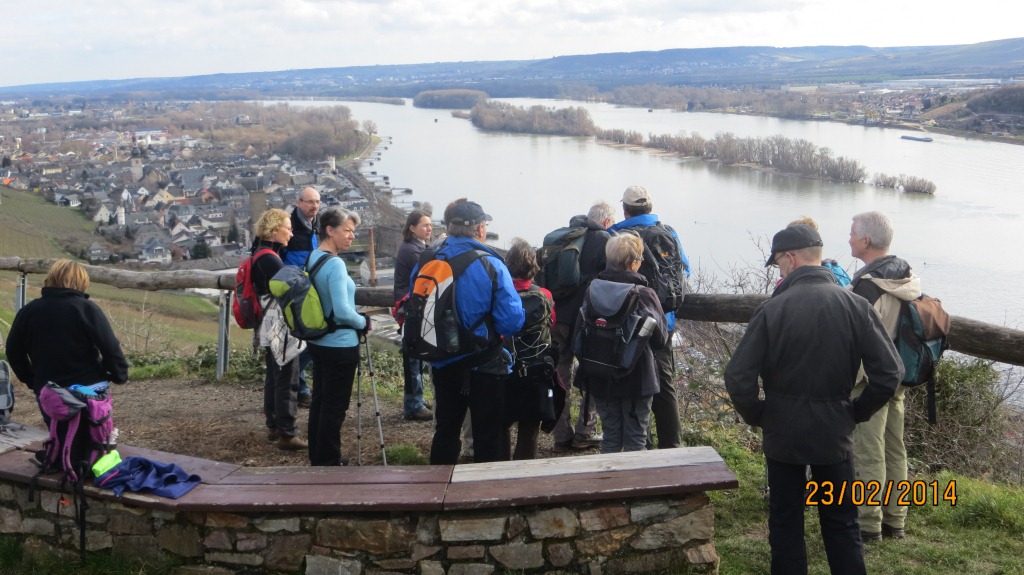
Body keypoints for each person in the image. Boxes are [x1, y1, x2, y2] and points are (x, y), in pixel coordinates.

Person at [725, 224, 903, 575]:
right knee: (842, 523)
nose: (779, 270)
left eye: (777, 263)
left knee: (786, 522)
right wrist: (855, 412)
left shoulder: (772, 310)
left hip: (783, 434)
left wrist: (760, 414)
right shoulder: (855, 306)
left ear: (790, 258)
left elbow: (737, 377)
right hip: (834, 433)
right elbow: (889, 375)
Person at [423, 200, 524, 465]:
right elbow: (512, 321)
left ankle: (436, 492)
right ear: (479, 229)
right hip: (485, 364)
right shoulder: (491, 264)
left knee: (445, 430)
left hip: (442, 358)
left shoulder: (429, 259)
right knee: (487, 436)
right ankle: (484, 496)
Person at [848, 211, 922, 541]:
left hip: (871, 380)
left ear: (866, 240)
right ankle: (896, 520)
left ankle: (867, 524)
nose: (849, 238)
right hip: (899, 374)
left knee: (868, 452)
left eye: (852, 233)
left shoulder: (868, 285)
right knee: (895, 449)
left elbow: (854, 339)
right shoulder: (905, 274)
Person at [607, 185, 690, 449]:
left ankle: (641, 445)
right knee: (664, 385)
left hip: (625, 325)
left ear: (625, 208)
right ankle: (672, 447)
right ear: (650, 207)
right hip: (663, 322)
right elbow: (684, 270)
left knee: (632, 384)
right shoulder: (668, 232)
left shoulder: (616, 234)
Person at [573, 232, 667, 453]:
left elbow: (579, 333)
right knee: (636, 439)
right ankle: (636, 486)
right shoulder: (644, 294)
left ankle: (610, 483)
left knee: (611, 436)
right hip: (637, 378)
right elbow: (661, 339)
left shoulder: (593, 290)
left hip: (599, 375)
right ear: (634, 263)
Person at [6, 259, 129, 419]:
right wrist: (119, 374)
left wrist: (33, 380)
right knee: (94, 436)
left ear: (51, 279)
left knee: (59, 436)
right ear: (82, 282)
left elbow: (13, 351)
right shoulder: (86, 308)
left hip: (49, 391)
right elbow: (110, 347)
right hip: (89, 389)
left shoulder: (28, 311)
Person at [305, 207, 369, 466]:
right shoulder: (335, 265)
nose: (352, 236)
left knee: (320, 402)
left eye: (354, 231)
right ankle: (329, 462)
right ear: (330, 230)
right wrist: (363, 321)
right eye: (347, 230)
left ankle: (318, 457)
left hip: (319, 341)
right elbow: (343, 311)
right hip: (340, 344)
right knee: (334, 407)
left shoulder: (313, 257)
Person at [550, 202, 613, 452]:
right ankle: (585, 432)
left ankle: (560, 435)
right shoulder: (606, 240)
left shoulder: (563, 237)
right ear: (606, 221)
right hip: (585, 320)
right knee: (592, 375)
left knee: (559, 376)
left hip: (556, 317)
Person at [250, 208, 307, 451]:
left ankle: (274, 425)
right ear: (274, 230)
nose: (291, 233)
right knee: (287, 376)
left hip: (267, 319)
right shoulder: (270, 259)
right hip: (278, 320)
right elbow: (292, 289)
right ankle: (287, 432)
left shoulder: (260, 253)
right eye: (287, 227)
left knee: (275, 374)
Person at [500, 238, 557, 460]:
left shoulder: (500, 294)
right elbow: (551, 324)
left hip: (505, 367)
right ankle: (524, 474)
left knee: (500, 425)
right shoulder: (545, 295)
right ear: (533, 266)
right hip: (535, 369)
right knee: (529, 429)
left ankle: (500, 469)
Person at [394, 209, 434, 421]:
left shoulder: (416, 247)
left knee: (416, 356)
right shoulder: (412, 250)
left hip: (413, 308)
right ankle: (413, 404)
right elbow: (428, 269)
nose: (429, 229)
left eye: (430, 225)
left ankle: (415, 398)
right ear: (412, 228)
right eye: (424, 225)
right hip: (410, 310)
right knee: (413, 357)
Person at [284, 187, 322, 407]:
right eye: (309, 202)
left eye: (317, 201)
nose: (314, 206)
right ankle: (300, 388)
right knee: (301, 342)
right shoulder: (289, 227)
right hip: (293, 293)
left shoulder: (317, 224)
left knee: (310, 340)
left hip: (313, 291)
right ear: (299, 202)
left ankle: (299, 386)